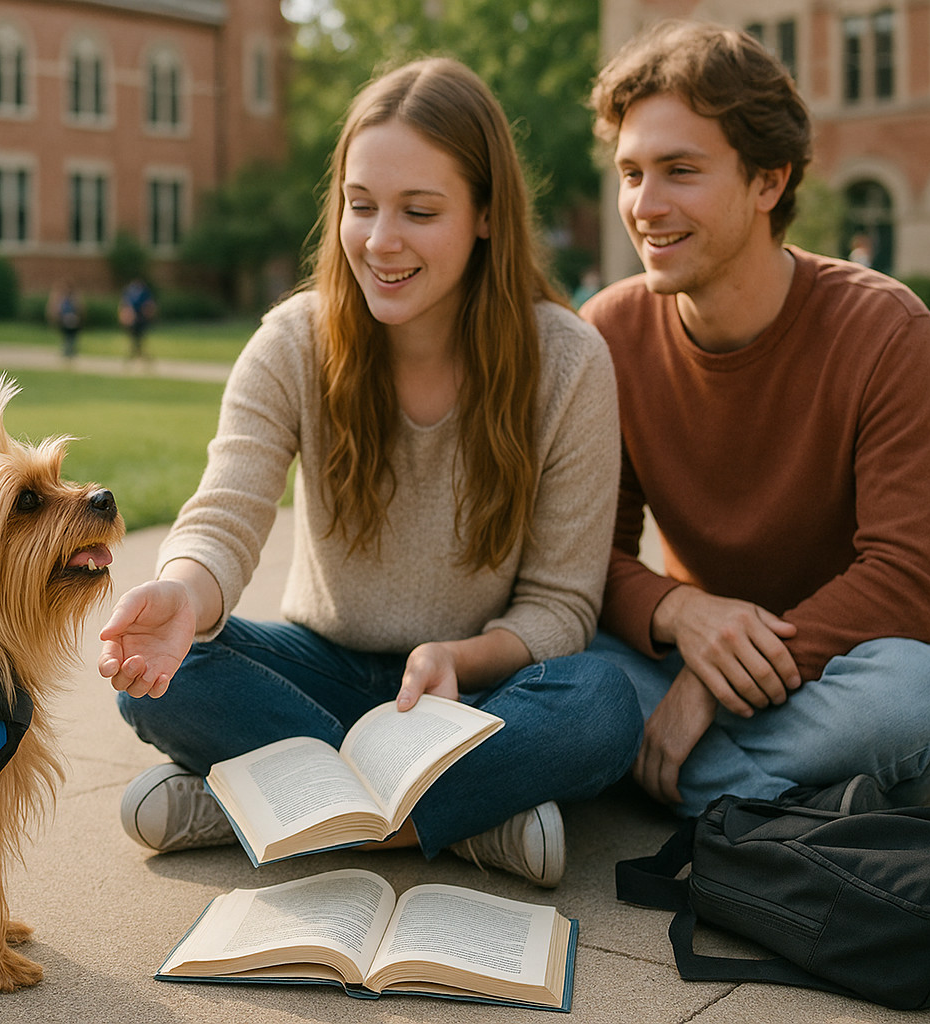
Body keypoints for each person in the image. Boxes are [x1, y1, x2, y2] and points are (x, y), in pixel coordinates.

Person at [97, 58, 642, 887]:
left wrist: (462, 656)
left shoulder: (570, 361)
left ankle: (273, 809)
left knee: (601, 703)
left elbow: (562, 605)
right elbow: (225, 514)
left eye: (419, 211)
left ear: (486, 214)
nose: (380, 241)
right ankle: (470, 823)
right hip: (321, 668)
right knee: (163, 678)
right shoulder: (293, 341)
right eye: (360, 205)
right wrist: (183, 591)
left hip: (469, 696)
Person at [582, 21, 930, 820]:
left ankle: (659, 773)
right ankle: (778, 802)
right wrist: (680, 613)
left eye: (680, 171)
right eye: (631, 173)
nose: (644, 206)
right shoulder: (611, 332)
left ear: (768, 181)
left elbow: (909, 580)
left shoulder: (885, 327)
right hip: (698, 649)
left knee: (924, 698)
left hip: (850, 670)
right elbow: (588, 559)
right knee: (561, 658)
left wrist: (707, 688)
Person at [118, 276, 156, 363]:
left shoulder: (144, 293)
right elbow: (125, 305)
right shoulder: (129, 292)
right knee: (133, 337)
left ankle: (139, 354)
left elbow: (149, 305)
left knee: (140, 337)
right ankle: (135, 354)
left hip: (141, 317)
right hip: (132, 317)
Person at [48, 280, 83, 363]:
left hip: (73, 321)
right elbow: (57, 309)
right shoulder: (63, 299)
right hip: (64, 321)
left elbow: (80, 310)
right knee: (66, 337)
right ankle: (67, 351)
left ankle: (71, 351)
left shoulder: (74, 299)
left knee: (72, 337)